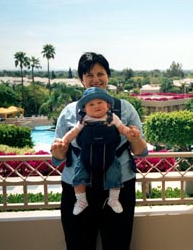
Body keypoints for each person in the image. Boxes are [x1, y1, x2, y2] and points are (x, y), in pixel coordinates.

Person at [50, 52, 148, 250]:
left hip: (119, 187)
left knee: (118, 245)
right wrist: (60, 149)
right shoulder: (70, 112)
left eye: (100, 73)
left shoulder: (125, 109)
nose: (95, 79)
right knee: (78, 245)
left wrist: (134, 138)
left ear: (108, 76)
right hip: (77, 189)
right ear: (81, 80)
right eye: (89, 75)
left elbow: (141, 151)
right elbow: (58, 158)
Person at [58, 87, 136, 215]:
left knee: (115, 176)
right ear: (84, 109)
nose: (96, 106)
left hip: (109, 157)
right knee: (79, 177)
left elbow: (123, 129)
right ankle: (81, 201)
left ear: (108, 105)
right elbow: (73, 132)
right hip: (85, 158)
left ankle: (113, 199)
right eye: (91, 104)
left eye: (100, 102)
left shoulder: (112, 118)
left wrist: (131, 134)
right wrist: (64, 141)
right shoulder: (84, 120)